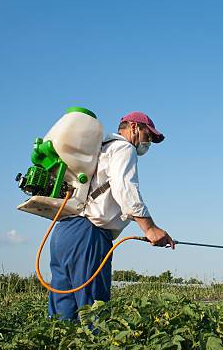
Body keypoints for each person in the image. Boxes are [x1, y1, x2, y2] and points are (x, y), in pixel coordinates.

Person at [48, 111, 175, 320]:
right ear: (134, 127)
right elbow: (125, 188)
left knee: (62, 312)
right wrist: (150, 229)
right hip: (89, 234)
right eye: (148, 135)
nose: (148, 142)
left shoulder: (100, 150)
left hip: (64, 230)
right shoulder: (124, 148)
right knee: (94, 312)